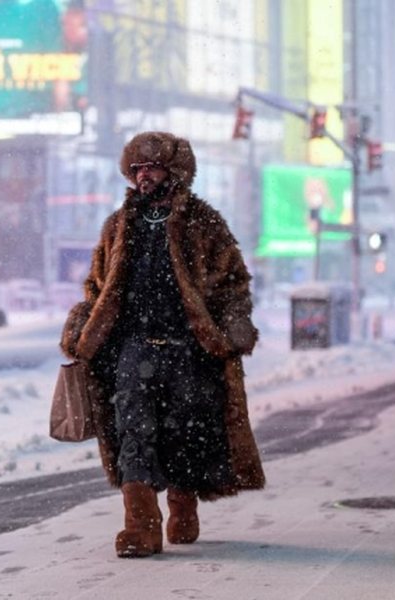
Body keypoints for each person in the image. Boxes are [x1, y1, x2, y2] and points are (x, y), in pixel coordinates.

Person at [59, 131, 265, 558]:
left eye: (151, 167)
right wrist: (82, 325)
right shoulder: (118, 225)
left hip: (187, 349)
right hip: (133, 349)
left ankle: (182, 506)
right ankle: (141, 526)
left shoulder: (205, 222)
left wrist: (233, 325)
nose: (143, 176)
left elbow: (232, 284)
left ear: (174, 171)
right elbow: (97, 286)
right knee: (134, 432)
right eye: (136, 169)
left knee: (184, 434)